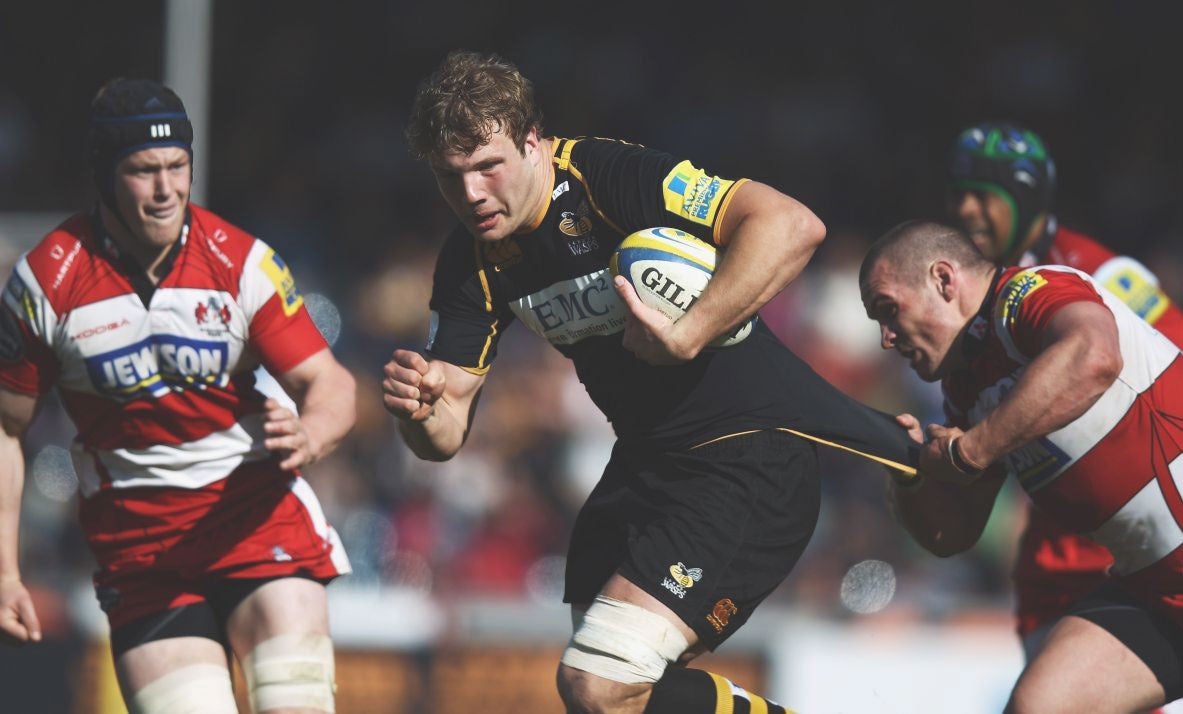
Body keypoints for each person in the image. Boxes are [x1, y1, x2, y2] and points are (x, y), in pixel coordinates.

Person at [385, 50, 918, 714]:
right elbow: (445, 434)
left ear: (531, 142)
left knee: (598, 682)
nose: (470, 195)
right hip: (646, 468)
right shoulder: (470, 262)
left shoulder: (608, 177)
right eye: (449, 177)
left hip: (745, 460)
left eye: (487, 167)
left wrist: (691, 329)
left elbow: (791, 224)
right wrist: (420, 409)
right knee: (611, 692)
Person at [0, 78, 355, 714]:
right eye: (143, 170)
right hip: (142, 553)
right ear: (106, 177)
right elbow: (5, 429)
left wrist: (313, 431)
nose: (166, 189)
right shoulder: (44, 284)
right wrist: (3, 573)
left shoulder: (241, 262)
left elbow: (330, 382)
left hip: (257, 519)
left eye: (177, 166)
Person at [860, 220, 1183, 713]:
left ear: (944, 280)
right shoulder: (964, 390)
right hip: (1155, 590)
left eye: (888, 310)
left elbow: (1094, 355)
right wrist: (907, 472)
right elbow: (952, 536)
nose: (886, 338)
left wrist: (968, 451)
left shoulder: (1029, 291)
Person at [946, 120, 1183, 661]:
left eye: (985, 196)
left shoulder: (1102, 273)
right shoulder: (964, 298)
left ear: (1027, 200)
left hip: (1133, 550)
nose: (966, 211)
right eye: (958, 195)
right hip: (1051, 566)